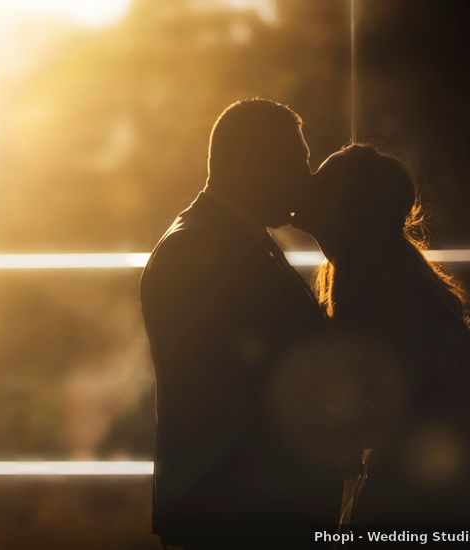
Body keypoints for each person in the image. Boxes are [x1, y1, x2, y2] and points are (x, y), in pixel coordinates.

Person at [295, 144, 470, 525]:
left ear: (351, 207)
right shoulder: (382, 269)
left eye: (322, 184)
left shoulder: (378, 283)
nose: (306, 187)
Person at [140, 99, 343, 548]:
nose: (305, 178)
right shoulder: (195, 250)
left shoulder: (233, 240)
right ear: (257, 162)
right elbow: (237, 380)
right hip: (234, 511)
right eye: (297, 161)